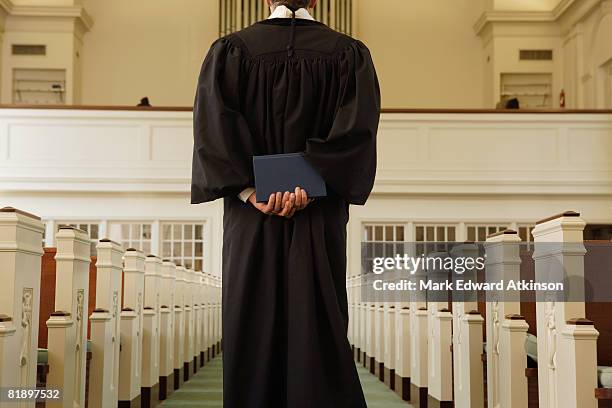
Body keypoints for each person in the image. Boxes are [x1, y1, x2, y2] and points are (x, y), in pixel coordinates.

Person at [191, 0, 380, 406]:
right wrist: (309, 183)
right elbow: (355, 136)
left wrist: (251, 192)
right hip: (320, 216)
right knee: (319, 331)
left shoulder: (231, 50)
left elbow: (213, 132)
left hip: (249, 219)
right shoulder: (348, 54)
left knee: (252, 331)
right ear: (315, 1)